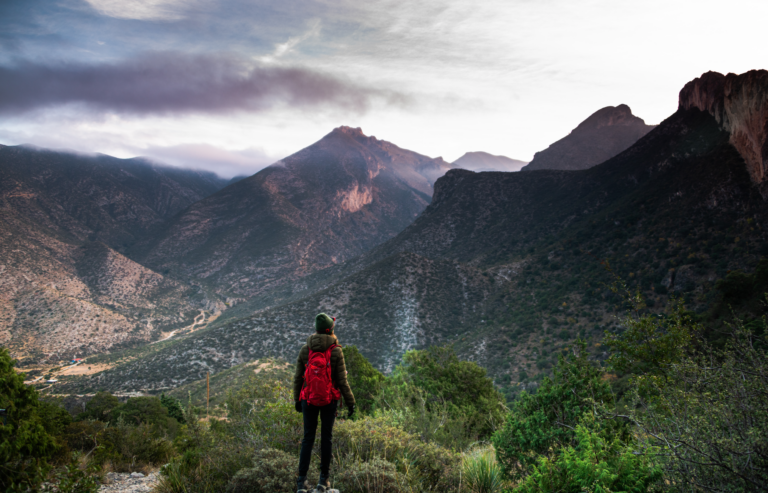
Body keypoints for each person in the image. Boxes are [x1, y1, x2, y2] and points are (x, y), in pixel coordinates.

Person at [294, 313, 355, 493]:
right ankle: (323, 481)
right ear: (330, 330)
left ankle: (301, 483)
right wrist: (351, 402)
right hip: (329, 400)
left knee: (307, 439)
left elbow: (298, 377)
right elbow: (342, 381)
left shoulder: (306, 349)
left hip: (308, 399)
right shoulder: (336, 350)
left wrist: (297, 399)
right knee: (326, 439)